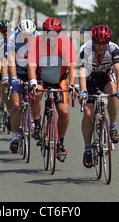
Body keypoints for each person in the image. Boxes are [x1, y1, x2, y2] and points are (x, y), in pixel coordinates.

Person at [78, 25, 119, 168]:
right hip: (90, 79)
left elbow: (118, 70)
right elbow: (82, 73)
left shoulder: (113, 49)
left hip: (106, 76)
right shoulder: (86, 50)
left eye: (104, 44)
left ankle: (112, 126)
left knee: (112, 90)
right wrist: (83, 91)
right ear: (93, 42)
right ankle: (87, 148)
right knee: (88, 113)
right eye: (98, 44)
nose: (101, 47)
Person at [27, 17, 77, 162]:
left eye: (55, 34)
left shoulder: (66, 43)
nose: (51, 37)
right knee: (36, 93)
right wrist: (33, 82)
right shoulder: (36, 43)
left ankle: (60, 143)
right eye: (48, 34)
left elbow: (72, 66)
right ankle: (37, 125)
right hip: (41, 77)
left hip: (60, 78)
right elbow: (31, 66)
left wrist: (72, 85)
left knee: (64, 111)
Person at [3, 19, 41, 153]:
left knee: (37, 94)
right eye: (24, 35)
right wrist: (13, 78)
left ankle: (37, 124)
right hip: (18, 72)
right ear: (19, 32)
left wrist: (36, 80)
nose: (27, 38)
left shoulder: (38, 37)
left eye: (29, 35)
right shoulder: (12, 39)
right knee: (16, 105)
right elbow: (11, 61)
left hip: (34, 70)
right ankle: (14, 137)